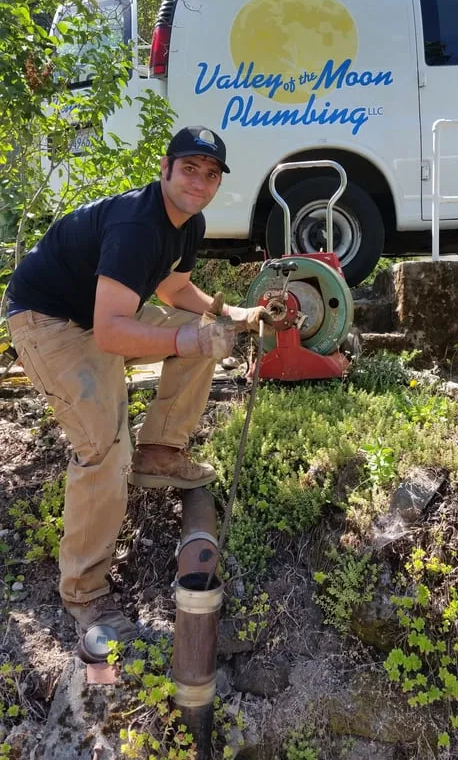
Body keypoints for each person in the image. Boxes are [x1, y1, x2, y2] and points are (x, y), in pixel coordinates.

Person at [6, 125, 267, 642]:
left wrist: (228, 313)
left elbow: (173, 287)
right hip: (47, 321)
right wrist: (189, 342)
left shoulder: (188, 222)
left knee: (203, 334)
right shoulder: (137, 225)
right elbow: (109, 332)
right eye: (189, 168)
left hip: (93, 317)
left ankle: (160, 451)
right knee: (104, 448)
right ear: (166, 169)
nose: (200, 181)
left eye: (211, 174)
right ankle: (83, 593)